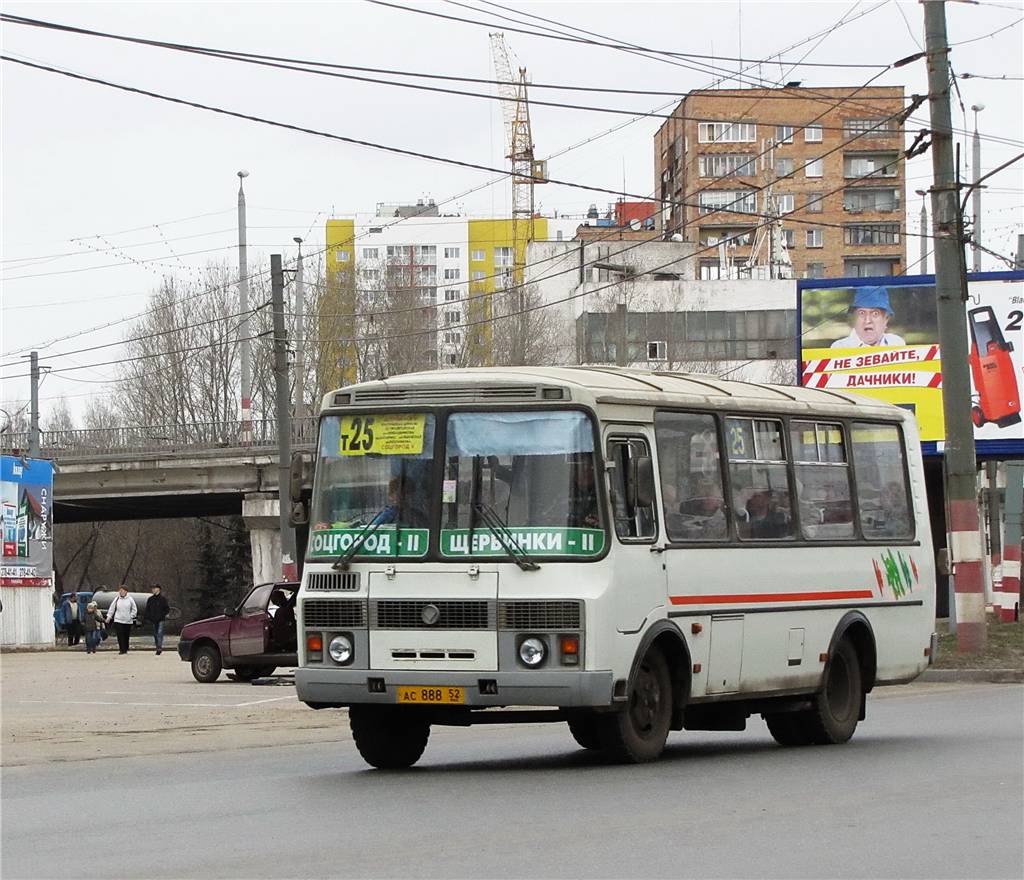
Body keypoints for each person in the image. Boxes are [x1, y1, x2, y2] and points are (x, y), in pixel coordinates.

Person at [830, 287, 906, 348]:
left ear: (886, 319)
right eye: (862, 313)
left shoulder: (897, 343)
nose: (867, 320)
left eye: (875, 313)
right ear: (854, 318)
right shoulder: (840, 347)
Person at [105, 585, 138, 655]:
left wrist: (131, 616)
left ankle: (125, 648)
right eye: (120, 590)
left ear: (126, 591)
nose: (121, 592)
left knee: (126, 635)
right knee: (120, 635)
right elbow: (112, 608)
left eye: (122, 590)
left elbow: (134, 609)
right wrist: (108, 617)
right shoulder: (117, 599)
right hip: (118, 620)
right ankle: (121, 649)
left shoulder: (130, 599)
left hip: (128, 621)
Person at [144, 584, 170, 655]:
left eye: (154, 588)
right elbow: (147, 609)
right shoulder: (150, 599)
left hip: (161, 619)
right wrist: (148, 617)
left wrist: (162, 615)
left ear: (158, 589)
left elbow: (167, 609)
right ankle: (157, 646)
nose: (153, 590)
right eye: (152, 589)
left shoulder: (163, 599)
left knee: (160, 633)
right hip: (153, 619)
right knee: (155, 634)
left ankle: (159, 647)